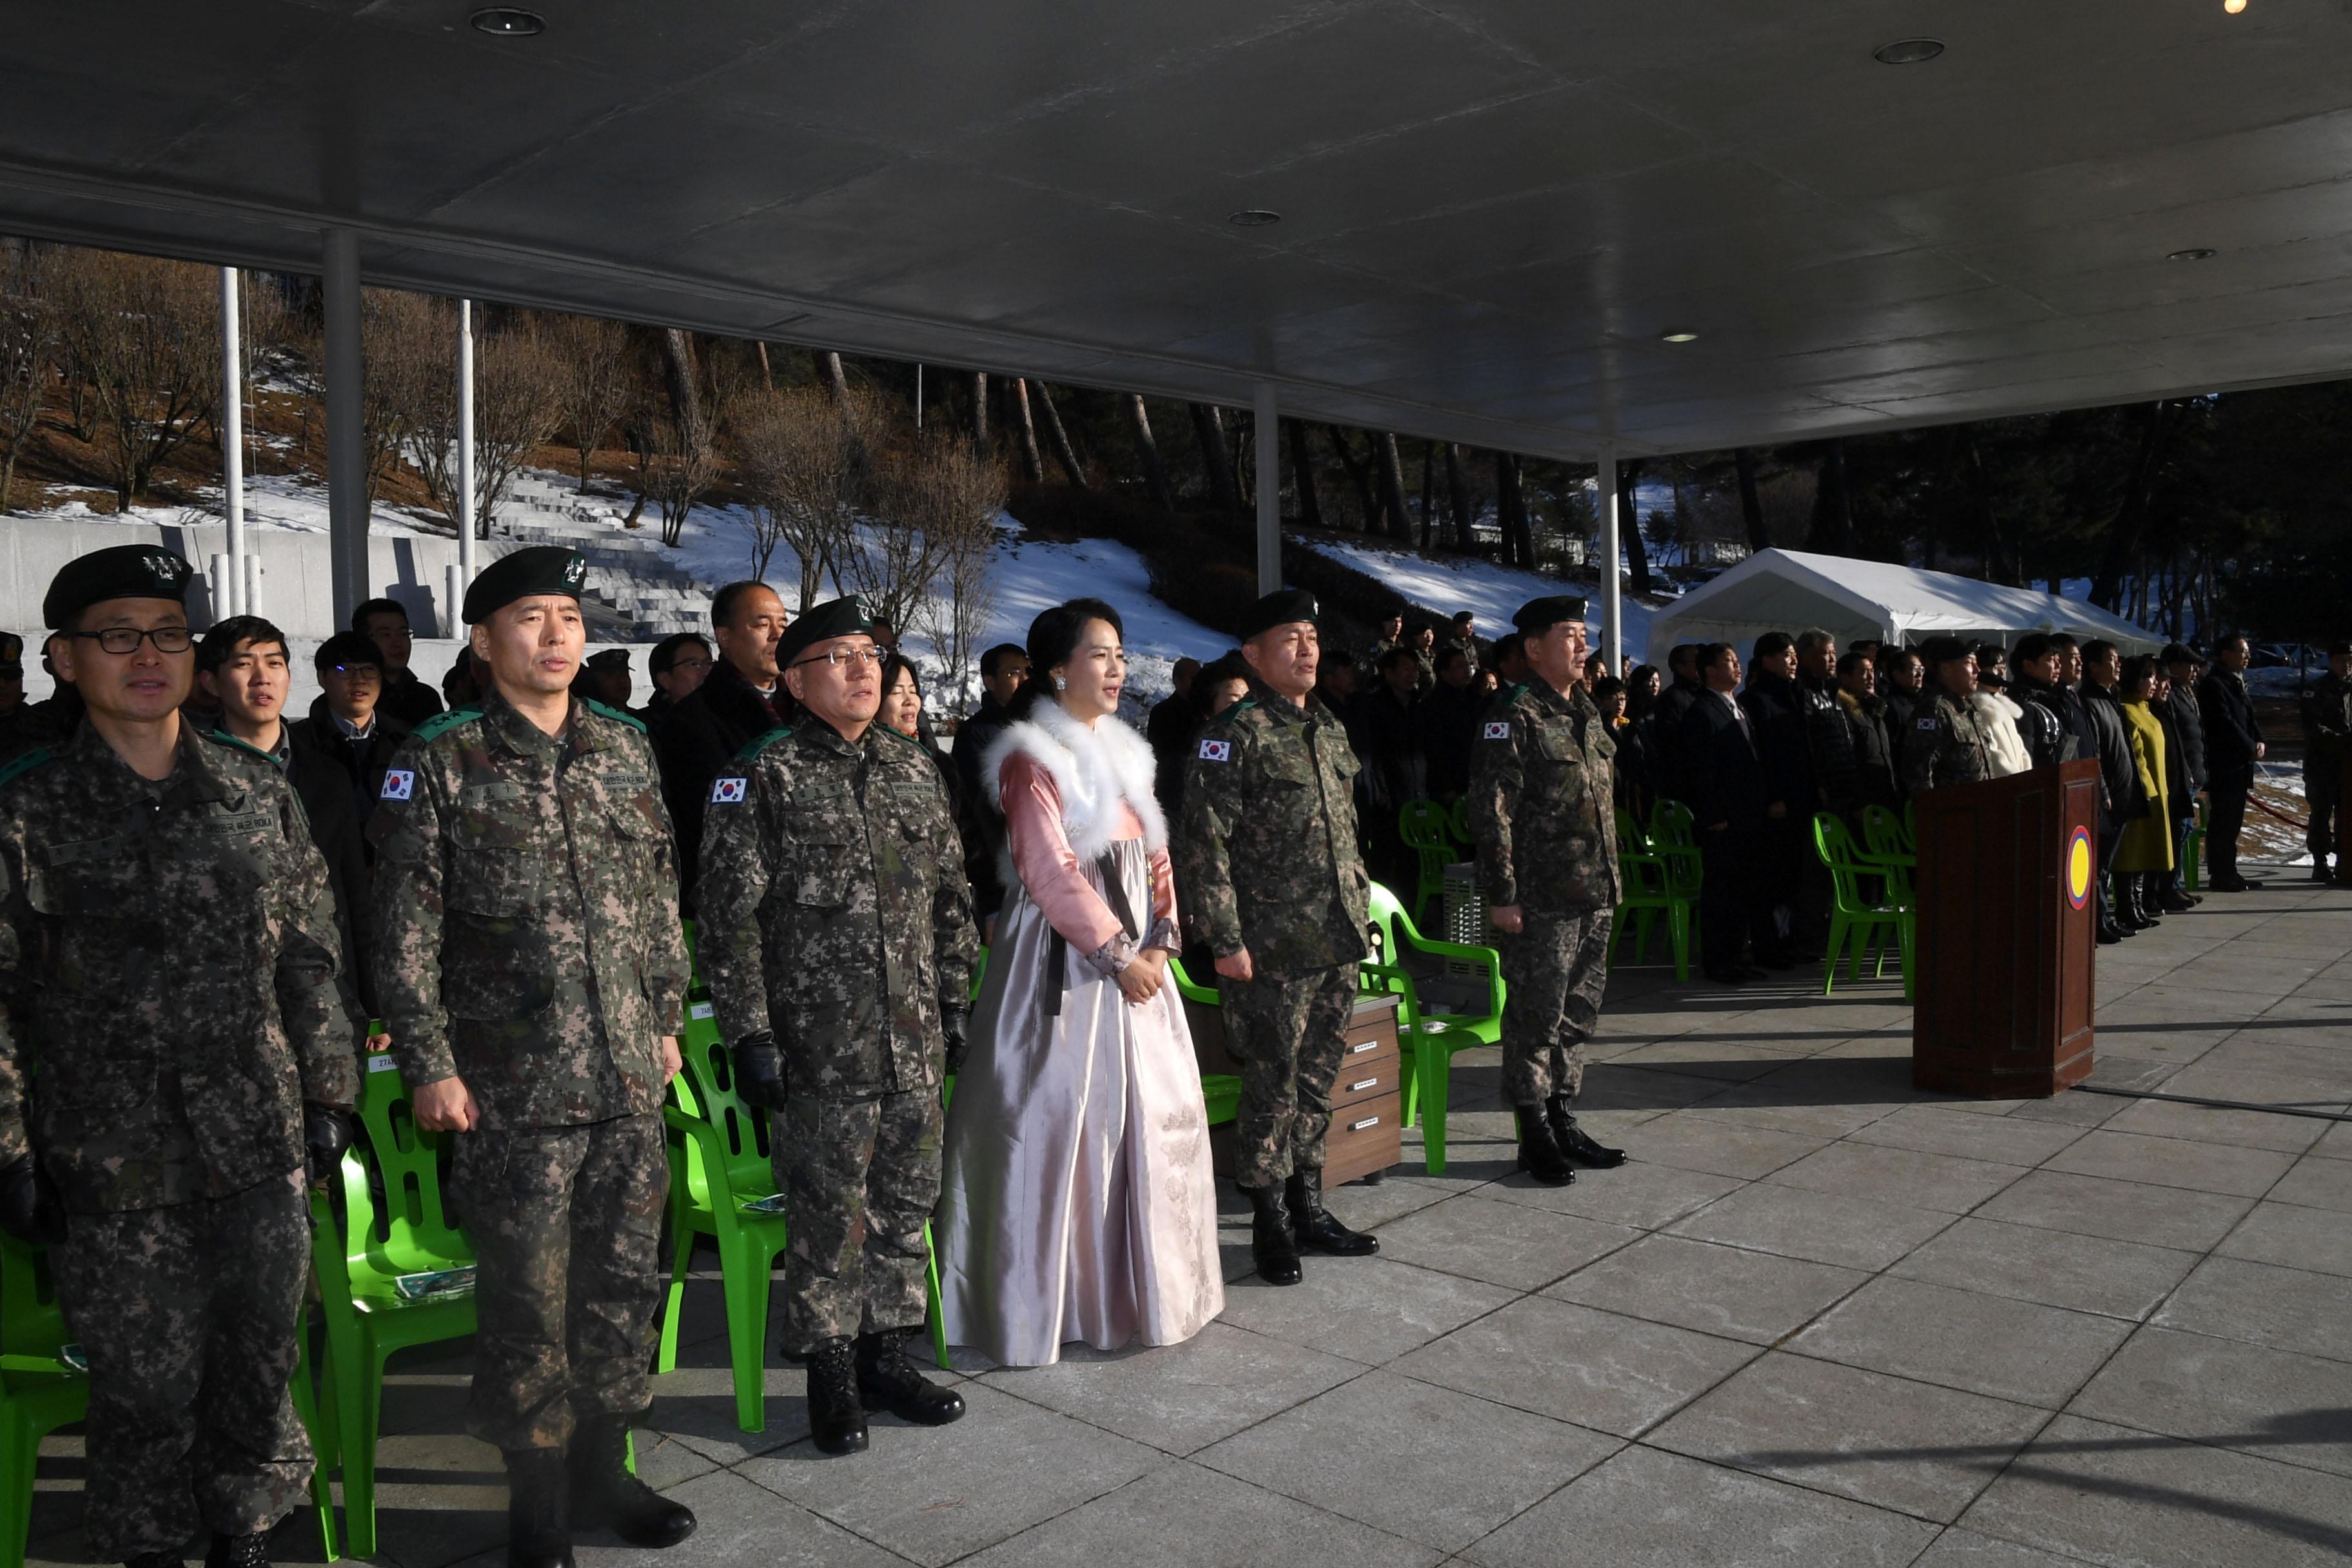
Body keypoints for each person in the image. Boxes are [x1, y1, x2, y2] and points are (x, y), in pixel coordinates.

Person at [0, 546, 358, 1568]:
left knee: (260, 1359)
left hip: (256, 1138)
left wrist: (329, 1095)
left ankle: (247, 1532)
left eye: (166, 633)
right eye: (118, 636)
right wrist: (12, 1153)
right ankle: (151, 1547)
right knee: (143, 1387)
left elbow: (310, 955)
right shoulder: (25, 812)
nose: (146, 655)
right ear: (65, 659)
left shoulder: (254, 793)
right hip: (108, 1161)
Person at [369, 547, 698, 1565]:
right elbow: (402, 931)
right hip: (511, 1090)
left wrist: (668, 1014)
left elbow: (658, 900)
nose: (557, 636)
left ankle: (606, 1468)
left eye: (568, 617)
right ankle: (538, 1497)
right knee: (526, 1302)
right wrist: (429, 1060)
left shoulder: (625, 750)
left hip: (628, 1081)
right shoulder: (438, 759)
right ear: (481, 641)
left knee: (619, 1291)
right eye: (530, 619)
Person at [696, 596, 976, 1455]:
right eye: (841, 658)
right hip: (820, 1043)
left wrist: (957, 999)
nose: (866, 671)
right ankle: (829, 1373)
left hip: (913, 1035)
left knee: (903, 1201)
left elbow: (951, 896)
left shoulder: (914, 768)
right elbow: (727, 917)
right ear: (795, 677)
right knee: (829, 1212)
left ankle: (887, 1353)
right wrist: (752, 1034)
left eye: (873, 655)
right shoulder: (761, 774)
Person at [936, 599, 1222, 1366]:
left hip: (1139, 969)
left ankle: (1148, 1289)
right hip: (1063, 965)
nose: (1117, 668)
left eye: (1121, 653)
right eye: (1099, 654)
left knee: (1154, 1120)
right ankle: (1054, 1298)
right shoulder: (1033, 758)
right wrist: (1117, 953)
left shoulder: (1130, 753)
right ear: (1059, 667)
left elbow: (1159, 855)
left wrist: (1163, 939)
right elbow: (1050, 870)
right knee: (1061, 1123)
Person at [1179, 589, 1377, 1287]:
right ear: (1254, 655)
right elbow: (1205, 846)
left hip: (1335, 937)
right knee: (1272, 1083)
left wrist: (1361, 914)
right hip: (1269, 948)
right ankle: (1269, 1219)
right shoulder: (1231, 734)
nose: (1307, 649)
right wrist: (1225, 940)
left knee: (1320, 1077)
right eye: (1290, 638)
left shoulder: (1329, 728)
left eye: (1313, 638)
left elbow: (1346, 835)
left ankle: (1310, 1204)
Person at [1471, 595, 1627, 1186]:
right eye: (1570, 634)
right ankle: (1532, 1129)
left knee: (1578, 1014)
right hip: (1541, 897)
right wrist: (1503, 893)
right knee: (1536, 1018)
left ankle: (1563, 1116)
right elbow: (1492, 811)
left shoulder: (1585, 711)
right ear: (1534, 648)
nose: (1583, 645)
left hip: (1595, 891)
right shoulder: (1512, 714)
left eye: (1584, 634)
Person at [199, 616, 379, 1032]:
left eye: (275, 663)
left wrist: (371, 1003)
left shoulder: (327, 774)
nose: (263, 678)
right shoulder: (192, 776)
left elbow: (352, 894)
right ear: (210, 681)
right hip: (231, 1003)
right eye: (245, 665)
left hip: (325, 999)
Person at [654, 580, 792, 908]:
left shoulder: (806, 706)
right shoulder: (692, 721)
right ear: (725, 637)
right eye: (761, 624)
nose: (776, 634)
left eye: (783, 625)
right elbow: (714, 827)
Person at [1681, 643, 1773, 985]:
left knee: (1743, 889)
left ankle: (1738, 955)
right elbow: (1700, 771)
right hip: (1723, 820)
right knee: (1722, 892)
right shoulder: (1701, 712)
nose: (1736, 667)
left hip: (1747, 816)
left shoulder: (1738, 707)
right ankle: (1718, 961)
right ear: (1709, 671)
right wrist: (1713, 814)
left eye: (1737, 661)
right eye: (1728, 662)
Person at [1740, 633, 1813, 963]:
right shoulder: (1757, 699)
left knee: (1792, 875)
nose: (1793, 661)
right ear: (1766, 659)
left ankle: (1788, 939)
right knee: (1771, 877)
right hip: (1776, 803)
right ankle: (1767, 944)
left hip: (1799, 799)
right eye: (1786, 655)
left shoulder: (1793, 696)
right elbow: (1761, 756)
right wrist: (1773, 797)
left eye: (1795, 655)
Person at [295, 631, 412, 832]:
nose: (359, 680)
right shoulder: (299, 743)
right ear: (322, 678)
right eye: (345, 669)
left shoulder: (407, 741)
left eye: (368, 669)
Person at [953, 643, 1030, 936]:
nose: (1024, 679)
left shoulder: (1042, 727)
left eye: (1028, 671)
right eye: (1013, 672)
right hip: (1002, 885)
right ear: (989, 681)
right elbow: (980, 818)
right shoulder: (976, 735)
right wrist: (992, 895)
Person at [2195, 634, 2266, 892]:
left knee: (2233, 820)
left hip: (2240, 764)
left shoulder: (2236, 682)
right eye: (2242, 651)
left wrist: (2258, 740)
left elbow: (2247, 716)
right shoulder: (2215, 684)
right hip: (2224, 763)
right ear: (2225, 653)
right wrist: (2248, 747)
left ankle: (2230, 870)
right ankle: (2220, 873)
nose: (2247, 656)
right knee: (2223, 821)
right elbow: (2224, 723)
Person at [1353, 644, 1426, 896]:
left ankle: (1412, 914)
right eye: (1406, 669)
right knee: (1386, 859)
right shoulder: (1375, 707)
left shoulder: (1418, 706)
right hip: (1388, 797)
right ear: (1389, 673)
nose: (1412, 674)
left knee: (1415, 858)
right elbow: (1370, 752)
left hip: (1417, 793)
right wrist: (1380, 788)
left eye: (1415, 669)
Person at [2113, 656, 2174, 928]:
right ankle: (2128, 905)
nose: (2155, 683)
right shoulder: (2127, 711)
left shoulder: (2146, 710)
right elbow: (2136, 757)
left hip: (2157, 792)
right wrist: (2146, 790)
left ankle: (2138, 904)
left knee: (2145, 853)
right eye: (2149, 677)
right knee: (2132, 852)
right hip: (2140, 793)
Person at [1901, 636, 2000, 795]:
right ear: (1946, 669)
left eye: (1976, 663)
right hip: (1954, 813)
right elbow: (1920, 773)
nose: (1977, 670)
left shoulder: (1969, 708)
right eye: (1968, 663)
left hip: (1981, 809)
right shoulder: (1934, 711)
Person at [2300, 640, 2352, 884]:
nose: (2347, 665)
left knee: (2347, 814)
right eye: (2342, 660)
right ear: (2331, 662)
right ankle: (2320, 862)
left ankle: (2345, 861)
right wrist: (2339, 740)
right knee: (2321, 813)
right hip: (2322, 764)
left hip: (2347, 766)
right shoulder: (2317, 689)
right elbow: (2311, 726)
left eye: (2350, 660)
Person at [353, 596, 446, 730]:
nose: (397, 643)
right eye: (385, 635)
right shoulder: (354, 697)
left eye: (403, 633)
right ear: (363, 641)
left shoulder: (425, 698)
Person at [2162, 643, 2208, 905]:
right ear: (2175, 666)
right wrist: (2187, 771)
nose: (2194, 671)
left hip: (2194, 772)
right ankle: (2169, 885)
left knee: (2184, 830)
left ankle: (2176, 884)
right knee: (2177, 830)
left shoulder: (2187, 693)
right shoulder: (2171, 695)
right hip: (2181, 774)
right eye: (2189, 665)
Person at [878, 651, 954, 792]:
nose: (910, 701)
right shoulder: (868, 765)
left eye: (913, 692)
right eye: (896, 692)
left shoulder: (939, 764)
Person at [1835, 649, 1899, 810]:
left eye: (1872, 671)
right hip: (1865, 799)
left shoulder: (1876, 708)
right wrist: (1857, 802)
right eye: (1864, 673)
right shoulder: (1843, 712)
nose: (1871, 678)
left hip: (1887, 793)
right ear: (1845, 678)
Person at [1417, 644, 1482, 799]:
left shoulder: (1472, 698)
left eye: (1467, 664)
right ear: (1444, 673)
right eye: (1460, 666)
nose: (1467, 669)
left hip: (1473, 780)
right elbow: (1434, 750)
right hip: (1450, 787)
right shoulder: (1433, 706)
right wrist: (1445, 786)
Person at [1146, 655, 1201, 814]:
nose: (1198, 683)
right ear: (1178, 680)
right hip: (1171, 789)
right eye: (1192, 678)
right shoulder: (1162, 712)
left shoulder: (1206, 712)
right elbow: (1160, 752)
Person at [2008, 634, 2073, 769]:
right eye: (2051, 659)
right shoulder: (2021, 706)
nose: (2058, 665)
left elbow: (2070, 743)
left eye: (2058, 659)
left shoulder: (2058, 697)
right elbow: (2027, 761)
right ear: (2029, 665)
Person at [1969, 645, 2033, 778]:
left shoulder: (2003, 706)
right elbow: (1993, 755)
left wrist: (2027, 775)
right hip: (2003, 785)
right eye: (1995, 668)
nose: (2001, 674)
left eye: (2003, 667)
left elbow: (2021, 749)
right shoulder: (1978, 708)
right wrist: (2017, 779)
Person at [643, 632, 713, 727]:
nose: (706, 672)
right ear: (665, 680)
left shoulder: (727, 719)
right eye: (694, 664)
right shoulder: (641, 729)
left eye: (708, 663)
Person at [1879, 645, 1926, 743]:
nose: (1919, 674)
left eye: (1921, 669)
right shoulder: (1890, 706)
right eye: (1914, 669)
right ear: (1897, 674)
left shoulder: (1926, 701)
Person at [576, 647, 632, 711]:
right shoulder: (588, 717)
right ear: (597, 679)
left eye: (625, 674)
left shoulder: (638, 719)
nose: (622, 680)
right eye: (612, 675)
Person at [1443, 610, 1480, 676]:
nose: (1471, 627)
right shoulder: (1450, 645)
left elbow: (1476, 666)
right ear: (1458, 626)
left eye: (1472, 624)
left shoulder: (1471, 646)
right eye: (1468, 623)